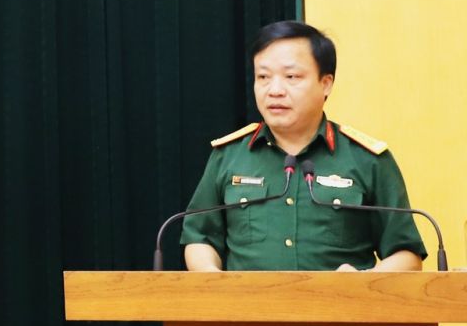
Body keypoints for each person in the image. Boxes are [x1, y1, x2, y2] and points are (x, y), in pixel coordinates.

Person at [181, 20, 425, 272]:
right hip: (247, 299)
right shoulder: (228, 156)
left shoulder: (367, 159)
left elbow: (406, 254)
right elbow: (199, 237)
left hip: (338, 298)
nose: (275, 90)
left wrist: (364, 281)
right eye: (263, 77)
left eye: (291, 77)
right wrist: (212, 277)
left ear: (326, 83)